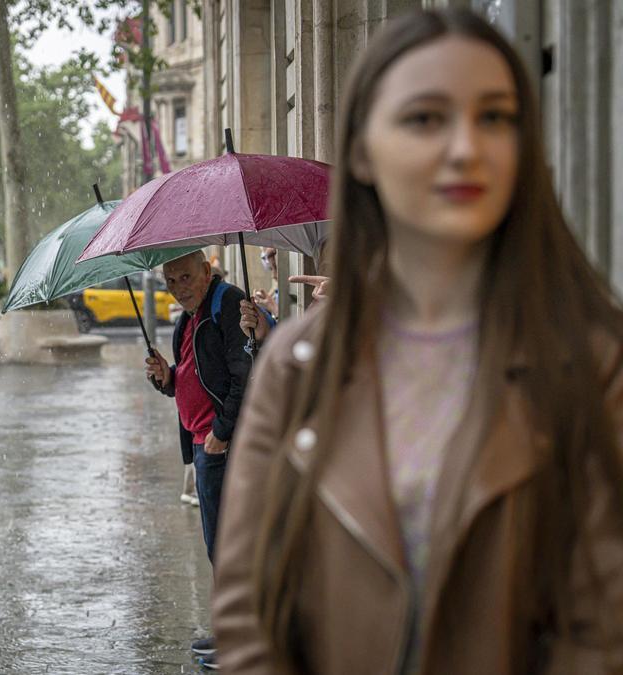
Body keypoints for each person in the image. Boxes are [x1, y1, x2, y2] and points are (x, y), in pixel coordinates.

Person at [212, 8, 623, 674]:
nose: (466, 147)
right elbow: (247, 618)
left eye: (495, 117)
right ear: (364, 152)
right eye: (426, 118)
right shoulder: (296, 365)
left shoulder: (593, 358)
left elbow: (603, 632)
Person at [144, 249, 252, 665]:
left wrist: (221, 434)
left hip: (223, 445)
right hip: (203, 444)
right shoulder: (188, 319)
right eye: (171, 282)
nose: (178, 289)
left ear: (207, 271)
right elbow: (192, 380)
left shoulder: (227, 306)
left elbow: (244, 376)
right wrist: (166, 378)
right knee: (217, 545)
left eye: (186, 278)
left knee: (231, 544)